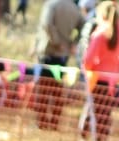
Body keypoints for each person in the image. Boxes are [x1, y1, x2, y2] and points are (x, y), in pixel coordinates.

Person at [81, 0, 119, 141]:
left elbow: (88, 60)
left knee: (92, 111)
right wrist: (116, 62)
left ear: (101, 15)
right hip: (112, 83)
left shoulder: (99, 34)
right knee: (105, 114)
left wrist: (90, 68)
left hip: (97, 80)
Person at [33, 0, 85, 130]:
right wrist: (73, 43)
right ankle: (55, 122)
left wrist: (56, 41)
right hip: (63, 54)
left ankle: (42, 122)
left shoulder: (51, 4)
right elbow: (84, 27)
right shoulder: (74, 8)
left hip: (48, 51)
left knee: (43, 89)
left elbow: (46, 24)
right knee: (57, 90)